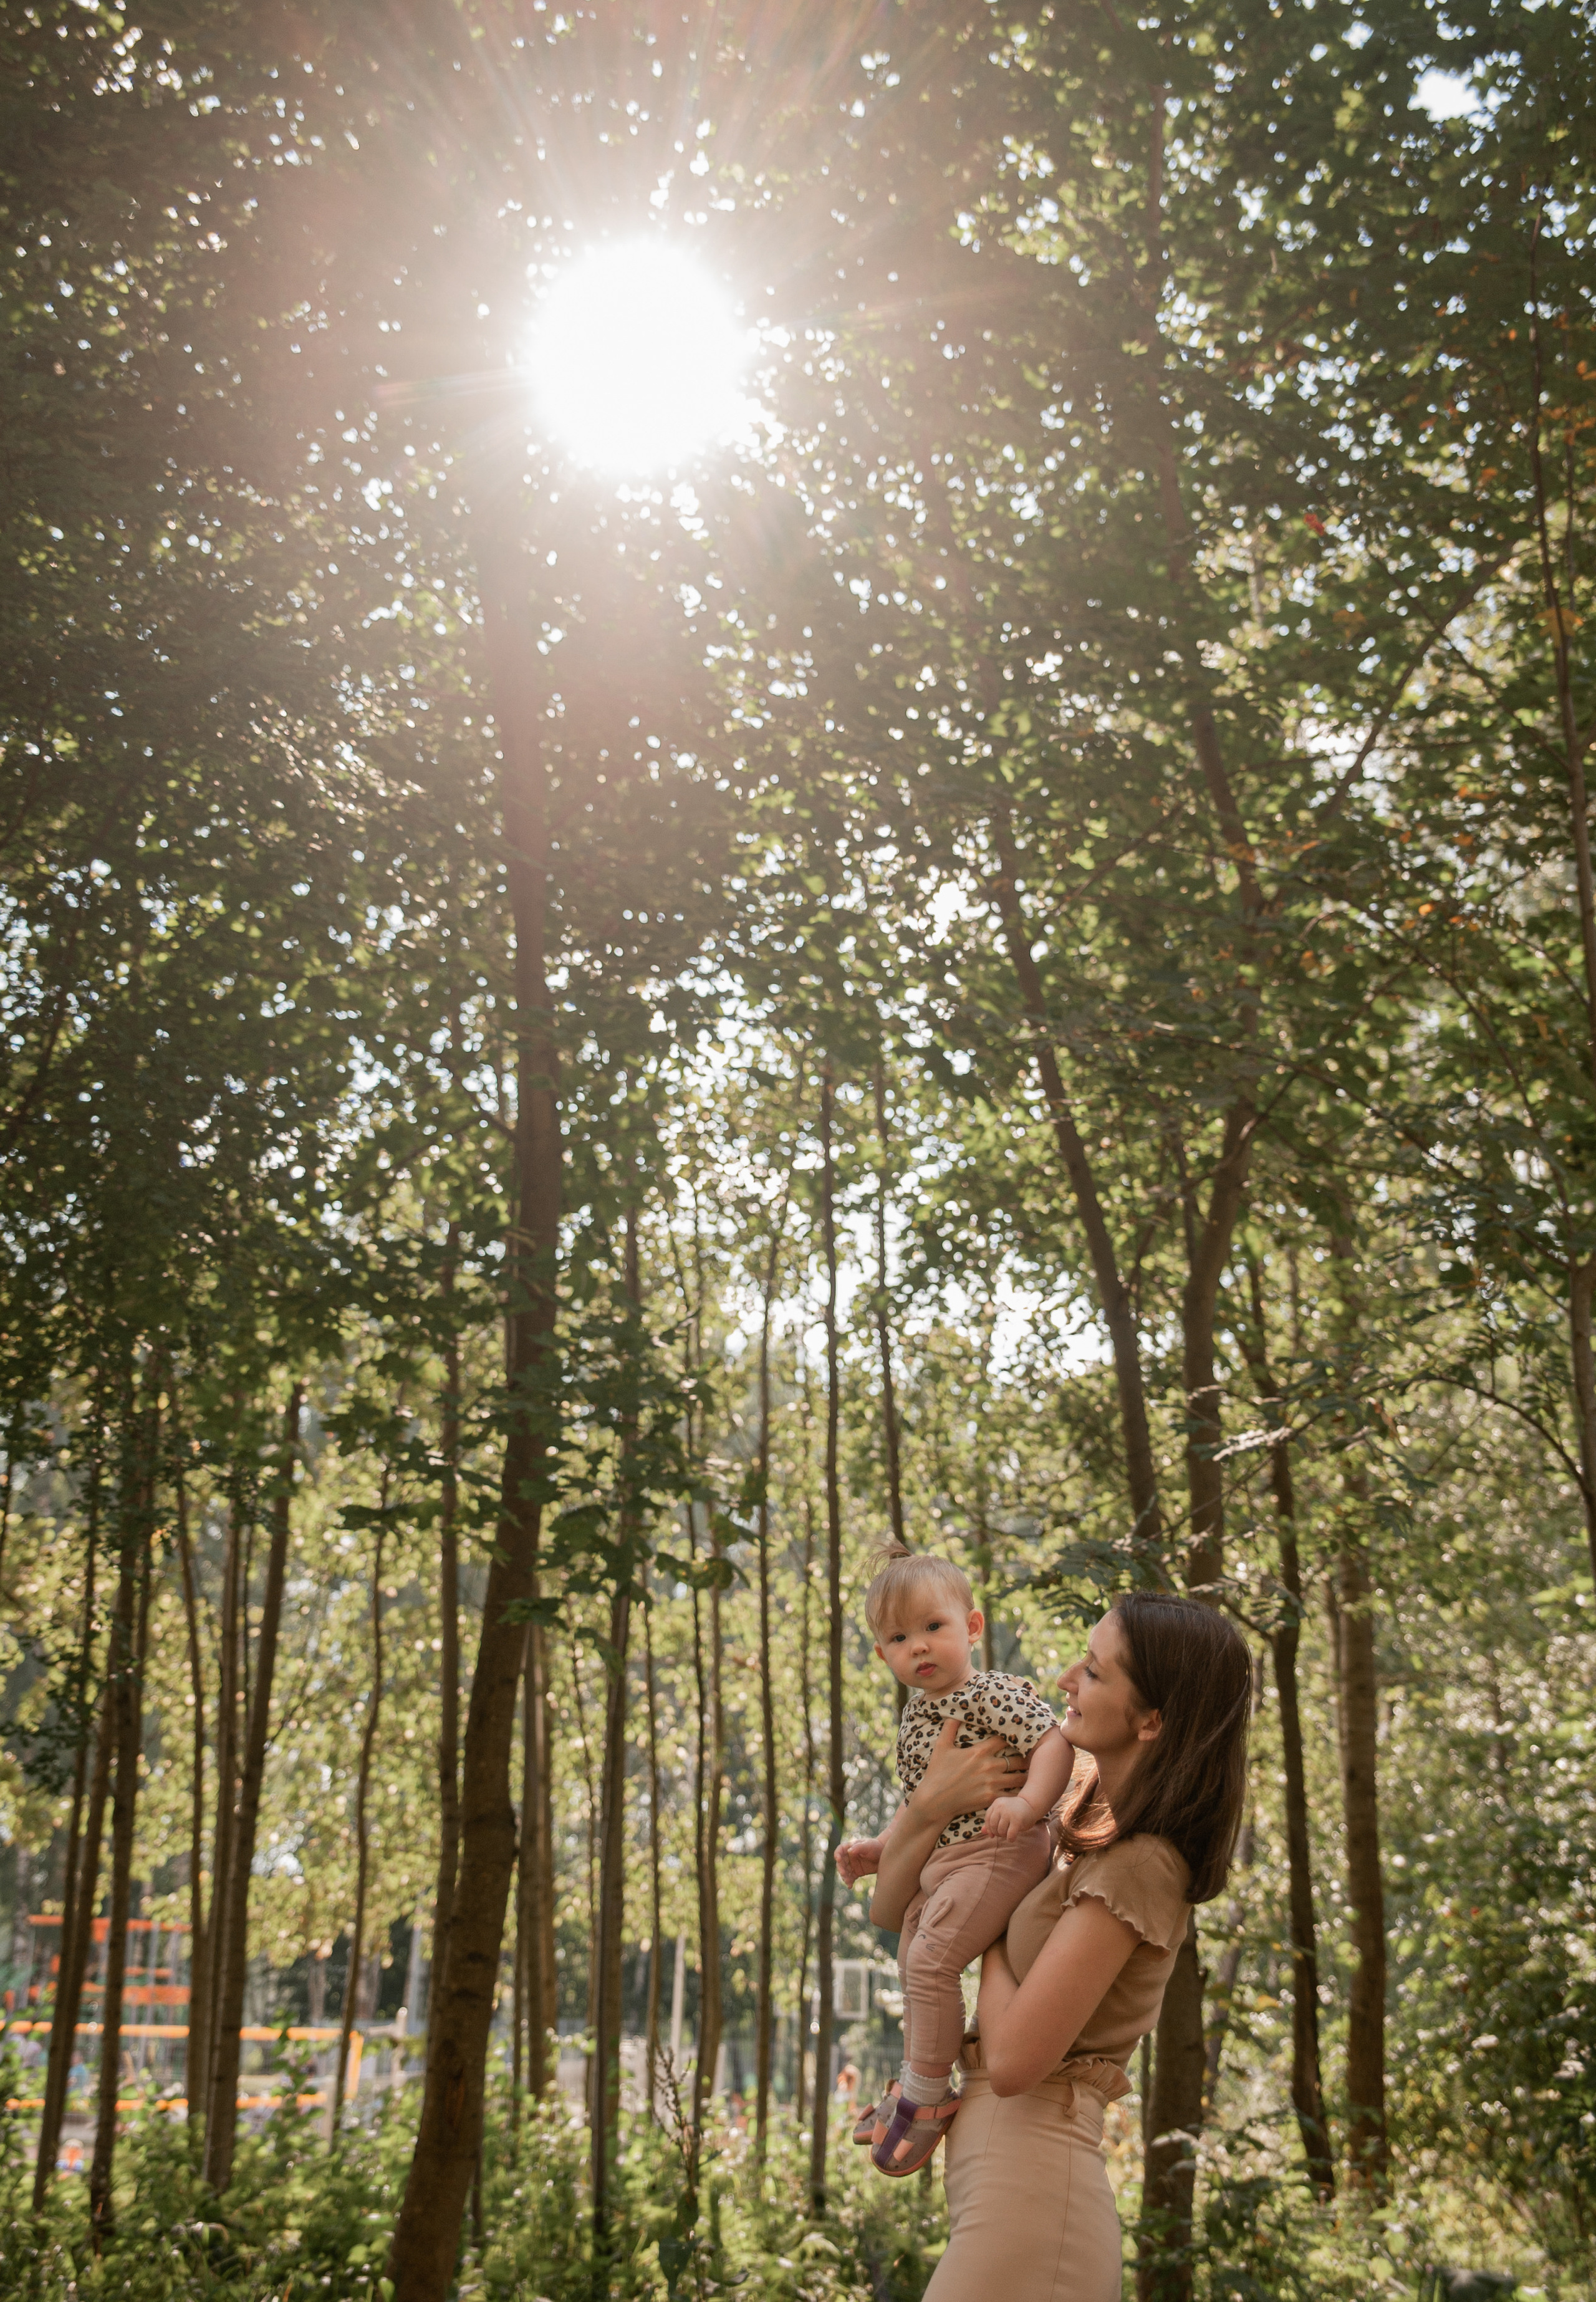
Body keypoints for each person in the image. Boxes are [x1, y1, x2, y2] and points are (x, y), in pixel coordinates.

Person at [868, 1589, 1251, 2301]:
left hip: (1034, 2195)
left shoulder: (1141, 1865)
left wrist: (979, 1938)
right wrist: (927, 1808)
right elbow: (889, 1908)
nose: (1067, 1680)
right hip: (1001, 2186)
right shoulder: (1077, 1821)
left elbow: (1014, 2060)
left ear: (1152, 1719)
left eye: (1096, 1672)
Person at [833, 1545, 1075, 2175]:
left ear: (970, 1627)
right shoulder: (916, 1714)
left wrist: (1028, 1802)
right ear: (882, 1652)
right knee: (911, 1952)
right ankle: (918, 2075)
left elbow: (1051, 1740)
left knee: (931, 1956)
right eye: (898, 1637)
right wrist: (881, 1848)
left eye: (933, 1628)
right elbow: (922, 1804)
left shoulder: (987, 1692)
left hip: (999, 1849)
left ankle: (927, 2096)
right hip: (950, 1861)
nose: (918, 1647)